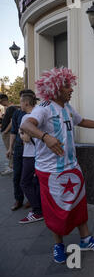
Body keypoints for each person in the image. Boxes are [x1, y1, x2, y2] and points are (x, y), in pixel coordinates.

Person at [20, 67, 94, 264]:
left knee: (79, 206)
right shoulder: (44, 108)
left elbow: (82, 121)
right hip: (50, 173)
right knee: (55, 211)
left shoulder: (67, 108)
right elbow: (26, 125)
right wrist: (45, 137)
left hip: (72, 168)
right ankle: (58, 245)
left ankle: (86, 239)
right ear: (55, 88)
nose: (71, 89)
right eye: (67, 86)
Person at [18, 90, 44, 224]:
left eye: (21, 101)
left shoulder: (25, 117)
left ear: (26, 102)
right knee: (37, 183)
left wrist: (20, 134)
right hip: (40, 154)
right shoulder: (40, 112)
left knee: (25, 182)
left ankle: (37, 211)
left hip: (29, 155)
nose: (20, 104)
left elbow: (26, 139)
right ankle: (41, 208)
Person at [8, 90, 34, 211]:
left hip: (31, 149)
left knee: (31, 175)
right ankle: (18, 199)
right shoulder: (17, 114)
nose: (21, 104)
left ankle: (31, 198)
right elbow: (13, 131)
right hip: (19, 147)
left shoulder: (35, 113)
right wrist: (10, 148)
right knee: (17, 175)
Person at [0, 94, 17, 175]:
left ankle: (11, 167)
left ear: (3, 100)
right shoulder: (10, 108)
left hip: (8, 133)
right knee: (10, 149)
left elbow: (12, 121)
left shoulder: (11, 108)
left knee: (10, 149)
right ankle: (11, 166)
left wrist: (5, 131)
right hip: (7, 132)